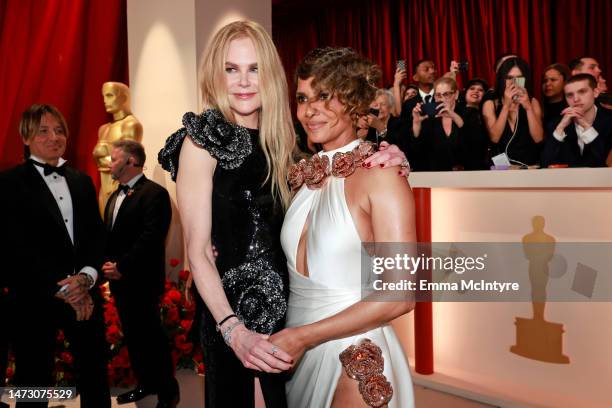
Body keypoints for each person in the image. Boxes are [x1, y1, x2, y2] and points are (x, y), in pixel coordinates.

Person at [158, 20, 409, 408]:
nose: (243, 81)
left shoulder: (291, 146)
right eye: (231, 68)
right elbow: (198, 250)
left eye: (254, 68)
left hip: (295, 329)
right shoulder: (205, 140)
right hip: (239, 322)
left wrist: (389, 155)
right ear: (215, 73)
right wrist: (232, 330)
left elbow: (397, 282)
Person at [274, 46, 416, 408]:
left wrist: (303, 337)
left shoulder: (382, 175)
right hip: (296, 353)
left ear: (353, 101)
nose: (308, 110)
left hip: (355, 354)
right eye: (303, 98)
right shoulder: (303, 177)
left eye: (325, 96)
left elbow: (401, 294)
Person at [0, 104, 110, 407]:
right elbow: (14, 248)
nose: (54, 137)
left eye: (59, 130)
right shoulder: (8, 184)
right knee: (32, 381)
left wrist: (86, 278)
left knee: (95, 377)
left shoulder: (82, 181)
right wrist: (63, 287)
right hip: (34, 299)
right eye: (44, 131)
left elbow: (96, 237)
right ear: (26, 137)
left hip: (85, 294)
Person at [102, 140, 179, 407]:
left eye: (114, 159)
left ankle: (169, 392)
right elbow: (109, 238)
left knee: (151, 339)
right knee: (134, 339)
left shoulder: (155, 194)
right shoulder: (114, 196)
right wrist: (107, 266)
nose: (109, 164)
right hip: (119, 283)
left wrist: (122, 266)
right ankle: (145, 384)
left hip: (142, 281)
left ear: (131, 162)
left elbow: (151, 238)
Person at [482, 57, 544, 166]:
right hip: (501, 169)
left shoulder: (532, 102)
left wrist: (528, 108)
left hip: (529, 166)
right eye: (509, 77)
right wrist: (506, 105)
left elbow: (538, 138)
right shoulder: (491, 104)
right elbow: (494, 138)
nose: (513, 82)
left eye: (519, 78)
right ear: (502, 79)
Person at [93, 82, 143, 214]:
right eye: (104, 96)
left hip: (123, 186)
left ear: (124, 97)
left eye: (110, 96)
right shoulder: (104, 129)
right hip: (104, 186)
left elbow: (129, 161)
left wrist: (103, 155)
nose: (105, 100)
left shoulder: (130, 125)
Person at [542, 74, 612, 167]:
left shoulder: (609, 119)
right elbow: (545, 163)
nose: (576, 99)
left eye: (582, 92)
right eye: (570, 95)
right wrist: (560, 128)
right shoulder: (556, 124)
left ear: (595, 93)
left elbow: (606, 162)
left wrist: (586, 126)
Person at [412, 77, 465, 171]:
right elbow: (418, 151)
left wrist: (453, 116)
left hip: (467, 175)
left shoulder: (467, 113)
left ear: (456, 94)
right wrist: (416, 123)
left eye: (446, 94)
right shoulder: (430, 118)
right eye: (438, 95)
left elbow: (472, 143)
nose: (442, 99)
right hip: (437, 176)